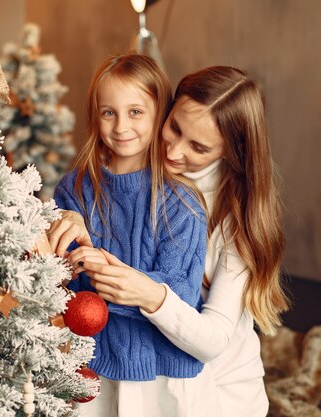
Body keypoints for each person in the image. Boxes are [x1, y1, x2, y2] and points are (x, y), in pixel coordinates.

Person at [50, 66, 290, 417]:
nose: (174, 151)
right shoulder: (104, 180)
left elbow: (211, 341)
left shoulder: (232, 219)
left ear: (229, 152)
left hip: (212, 376)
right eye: (174, 127)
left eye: (198, 147)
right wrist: (61, 219)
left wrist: (149, 293)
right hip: (134, 359)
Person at [52, 54, 218, 417]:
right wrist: (69, 256)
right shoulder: (74, 189)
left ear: (161, 112)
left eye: (136, 112)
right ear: (95, 115)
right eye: (108, 112)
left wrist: (107, 274)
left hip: (160, 371)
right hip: (92, 362)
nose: (121, 125)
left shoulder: (181, 201)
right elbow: (58, 281)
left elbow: (181, 292)